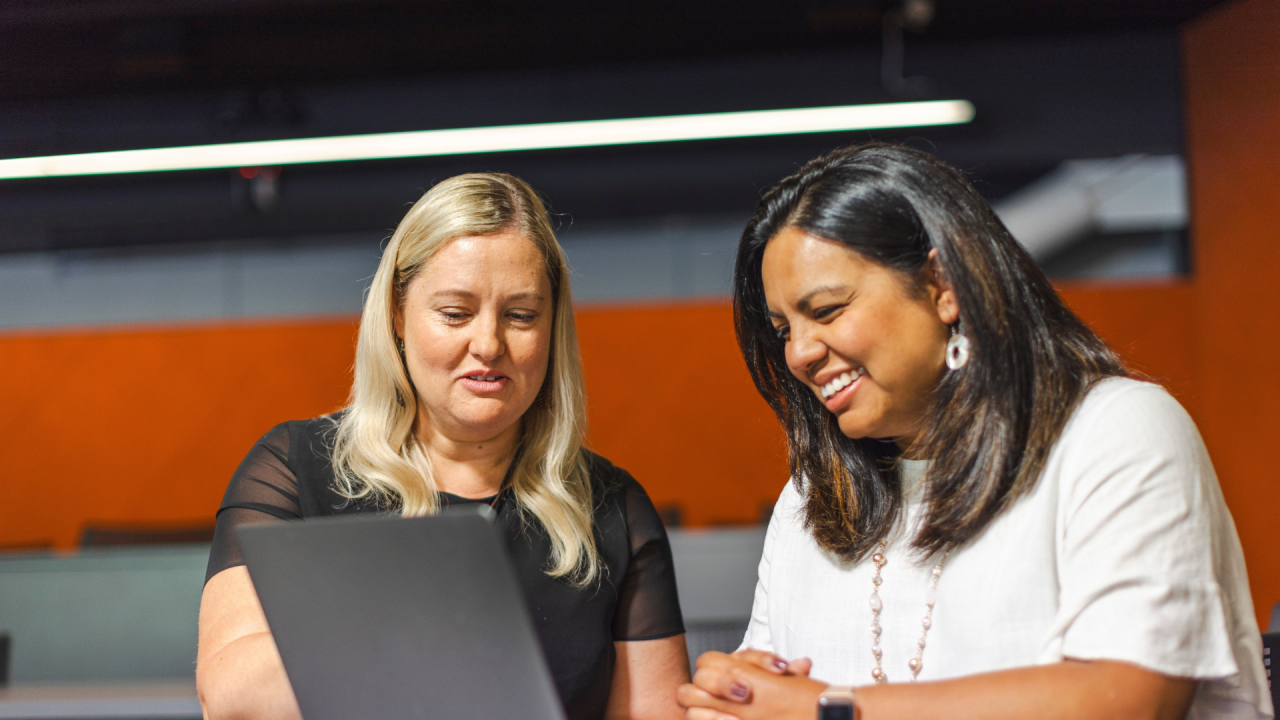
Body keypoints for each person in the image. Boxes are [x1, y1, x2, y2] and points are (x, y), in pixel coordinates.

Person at [677, 143, 1270, 720]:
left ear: (944, 287)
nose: (799, 353)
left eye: (827, 311)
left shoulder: (1115, 430)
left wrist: (828, 709)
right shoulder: (812, 497)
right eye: (782, 330)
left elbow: (1130, 698)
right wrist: (731, 699)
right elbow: (760, 693)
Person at [197, 172, 690, 720]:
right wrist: (418, 616)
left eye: (521, 316)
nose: (488, 344)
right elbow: (231, 696)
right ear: (397, 315)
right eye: (455, 313)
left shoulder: (614, 507)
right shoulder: (292, 468)